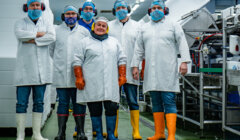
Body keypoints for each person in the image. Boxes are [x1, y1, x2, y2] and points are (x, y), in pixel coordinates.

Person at [131, 0, 191, 140]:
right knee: (155, 101)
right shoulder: (144, 28)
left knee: (169, 101)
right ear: (150, 11)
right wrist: (135, 66)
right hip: (151, 72)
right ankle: (158, 133)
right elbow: (138, 49)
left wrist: (184, 62)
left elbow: (182, 42)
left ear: (165, 10)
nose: (156, 10)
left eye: (159, 8)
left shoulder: (173, 25)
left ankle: (170, 135)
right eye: (154, 8)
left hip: (167, 70)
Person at [73, 17, 127, 140]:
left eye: (104, 26)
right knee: (95, 109)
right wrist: (79, 77)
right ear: (93, 26)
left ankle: (111, 135)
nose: (101, 27)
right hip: (92, 82)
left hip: (111, 82)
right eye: (98, 25)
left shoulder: (114, 42)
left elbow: (122, 59)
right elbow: (77, 61)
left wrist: (122, 75)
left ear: (107, 29)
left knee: (112, 107)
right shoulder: (84, 42)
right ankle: (98, 135)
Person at [14, 0, 56, 140]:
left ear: (42, 7)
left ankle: (36, 134)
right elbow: (20, 35)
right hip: (24, 72)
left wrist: (31, 38)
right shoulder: (20, 22)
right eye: (33, 5)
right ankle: (20, 134)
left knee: (39, 102)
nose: (35, 7)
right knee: (21, 103)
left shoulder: (47, 23)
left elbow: (51, 37)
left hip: (41, 72)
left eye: (38, 5)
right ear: (27, 7)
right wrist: (39, 34)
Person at [49, 5, 89, 140]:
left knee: (79, 103)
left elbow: (87, 52)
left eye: (73, 14)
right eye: (67, 14)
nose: (70, 16)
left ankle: (81, 132)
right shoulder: (56, 30)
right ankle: (61, 132)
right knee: (63, 103)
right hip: (61, 74)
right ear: (63, 16)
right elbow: (51, 50)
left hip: (79, 75)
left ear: (77, 16)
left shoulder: (84, 31)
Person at [108, 0, 142, 139]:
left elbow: (140, 49)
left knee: (133, 101)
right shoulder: (109, 26)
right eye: (118, 8)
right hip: (112, 70)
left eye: (123, 7)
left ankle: (136, 131)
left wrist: (136, 66)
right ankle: (113, 131)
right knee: (113, 101)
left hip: (131, 69)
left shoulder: (138, 26)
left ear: (127, 9)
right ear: (114, 10)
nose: (121, 10)